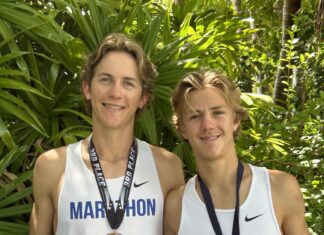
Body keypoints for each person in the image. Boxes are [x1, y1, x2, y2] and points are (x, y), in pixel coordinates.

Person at [29, 33, 184, 235]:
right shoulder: (52, 167)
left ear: (143, 98)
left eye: (128, 83)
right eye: (105, 80)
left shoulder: (167, 167)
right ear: (87, 88)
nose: (115, 93)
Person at [164, 70, 309, 235]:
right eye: (195, 116)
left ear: (235, 119)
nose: (207, 125)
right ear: (182, 128)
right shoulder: (176, 206)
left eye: (217, 112)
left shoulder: (280, 188)